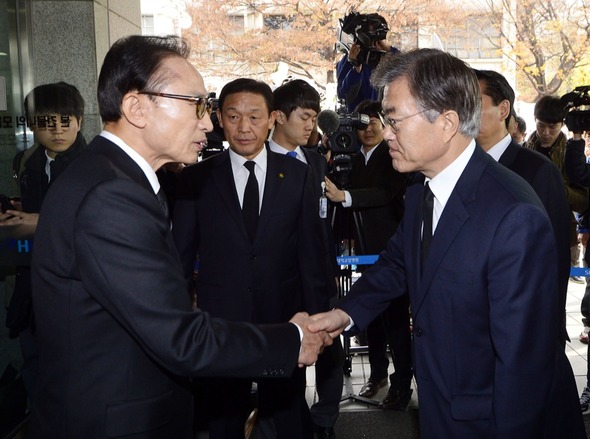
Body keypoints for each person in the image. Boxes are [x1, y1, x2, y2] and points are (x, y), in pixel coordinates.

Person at [26, 35, 330, 439]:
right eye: (196, 105)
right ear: (137, 107)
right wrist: (291, 339)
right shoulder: (110, 195)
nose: (208, 122)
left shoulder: (115, 178)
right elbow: (180, 338)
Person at [309, 48, 586, 438]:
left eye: (394, 120)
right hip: (443, 407)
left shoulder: (513, 214)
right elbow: (398, 263)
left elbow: (524, 367)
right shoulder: (427, 188)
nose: (385, 132)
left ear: (447, 122)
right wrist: (343, 315)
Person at [172, 77, 328, 439]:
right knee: (224, 417)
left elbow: (311, 253)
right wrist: (179, 318)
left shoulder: (299, 175)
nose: (244, 127)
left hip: (284, 317)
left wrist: (318, 319)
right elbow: (179, 258)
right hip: (220, 322)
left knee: (287, 415)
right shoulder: (196, 179)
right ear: (219, 118)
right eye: (233, 116)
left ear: (272, 118)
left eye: (255, 116)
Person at [1, 81, 87, 404]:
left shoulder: (95, 165)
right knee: (34, 367)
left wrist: (41, 220)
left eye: (65, 120)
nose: (56, 130)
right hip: (28, 288)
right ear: (32, 124)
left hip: (73, 291)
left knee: (72, 378)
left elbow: (95, 226)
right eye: (45, 121)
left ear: (80, 120)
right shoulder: (25, 163)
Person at [323, 99, 412, 411]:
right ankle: (377, 375)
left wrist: (345, 196)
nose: (369, 129)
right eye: (362, 124)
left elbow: (386, 193)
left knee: (398, 320)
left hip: (392, 249)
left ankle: (402, 381)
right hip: (361, 249)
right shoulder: (347, 155)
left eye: (375, 121)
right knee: (369, 316)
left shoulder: (394, 154)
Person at [473, 69, 571, 345]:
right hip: (472, 327)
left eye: (473, 102)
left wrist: (549, 325)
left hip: (521, 326)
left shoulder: (538, 170)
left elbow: (555, 257)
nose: (463, 111)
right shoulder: (458, 169)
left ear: (503, 109)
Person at [269, 79, 344, 439]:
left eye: (314, 117)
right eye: (304, 116)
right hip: (280, 282)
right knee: (289, 356)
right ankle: (292, 419)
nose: (310, 125)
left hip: (319, 275)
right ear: (279, 117)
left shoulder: (315, 160)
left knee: (331, 353)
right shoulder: (259, 161)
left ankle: (325, 419)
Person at [524, 95, 589, 284]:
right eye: (541, 125)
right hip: (526, 233)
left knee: (556, 295)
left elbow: (584, 200)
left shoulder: (572, 155)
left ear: (562, 124)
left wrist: (558, 190)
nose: (545, 132)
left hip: (559, 232)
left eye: (552, 127)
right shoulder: (522, 150)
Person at [336, 12, 399, 112]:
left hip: (383, 120)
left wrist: (389, 50)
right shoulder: (348, 61)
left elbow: (406, 72)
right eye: (370, 39)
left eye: (379, 40)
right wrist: (355, 67)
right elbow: (343, 95)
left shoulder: (389, 57)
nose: (374, 44)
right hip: (358, 121)